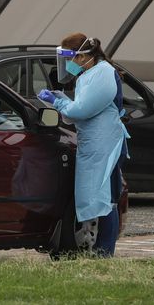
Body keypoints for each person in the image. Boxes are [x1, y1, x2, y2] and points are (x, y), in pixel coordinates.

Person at [38, 33, 128, 257]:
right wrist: (62, 100)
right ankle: (99, 247)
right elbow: (79, 110)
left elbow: (82, 110)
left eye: (71, 58)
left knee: (105, 197)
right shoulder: (89, 74)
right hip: (93, 143)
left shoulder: (104, 74)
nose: (69, 64)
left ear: (83, 56)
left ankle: (105, 249)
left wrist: (57, 102)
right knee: (94, 196)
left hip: (105, 143)